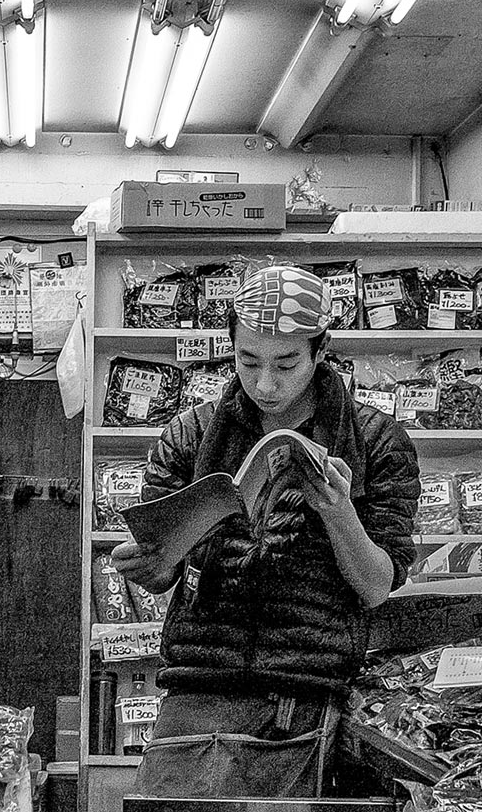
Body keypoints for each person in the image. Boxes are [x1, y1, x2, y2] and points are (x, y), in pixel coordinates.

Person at [112, 264, 420, 798]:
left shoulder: (375, 440)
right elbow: (162, 574)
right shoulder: (190, 433)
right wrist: (153, 564)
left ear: (321, 351)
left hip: (307, 691)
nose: (265, 384)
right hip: (196, 684)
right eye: (247, 361)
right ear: (229, 346)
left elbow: (375, 587)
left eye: (286, 363)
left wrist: (338, 511)